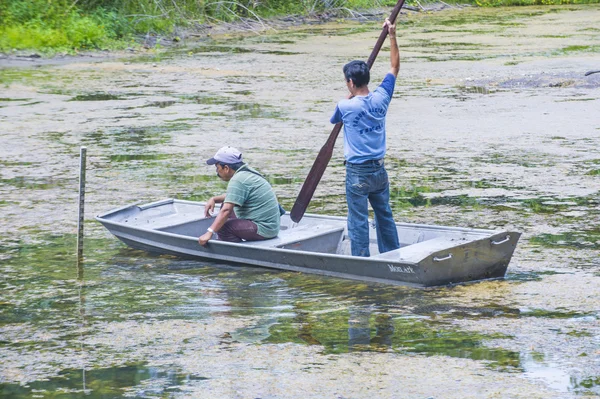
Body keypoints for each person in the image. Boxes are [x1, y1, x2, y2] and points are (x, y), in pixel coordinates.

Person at [329, 18, 400, 257]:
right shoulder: (382, 98)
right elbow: (394, 68)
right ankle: (391, 254)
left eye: (346, 81)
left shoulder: (345, 106)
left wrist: (348, 95)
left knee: (357, 219)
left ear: (350, 82)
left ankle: (361, 259)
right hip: (379, 170)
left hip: (358, 172)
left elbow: (335, 119)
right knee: (384, 215)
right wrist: (392, 35)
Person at [198, 146, 280, 246]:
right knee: (225, 206)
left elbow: (226, 211)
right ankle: (228, 240)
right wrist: (214, 199)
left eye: (217, 167)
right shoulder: (246, 172)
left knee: (223, 227)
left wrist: (210, 232)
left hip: (265, 229)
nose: (217, 171)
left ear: (226, 168)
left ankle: (235, 250)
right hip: (271, 226)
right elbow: (234, 196)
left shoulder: (238, 179)